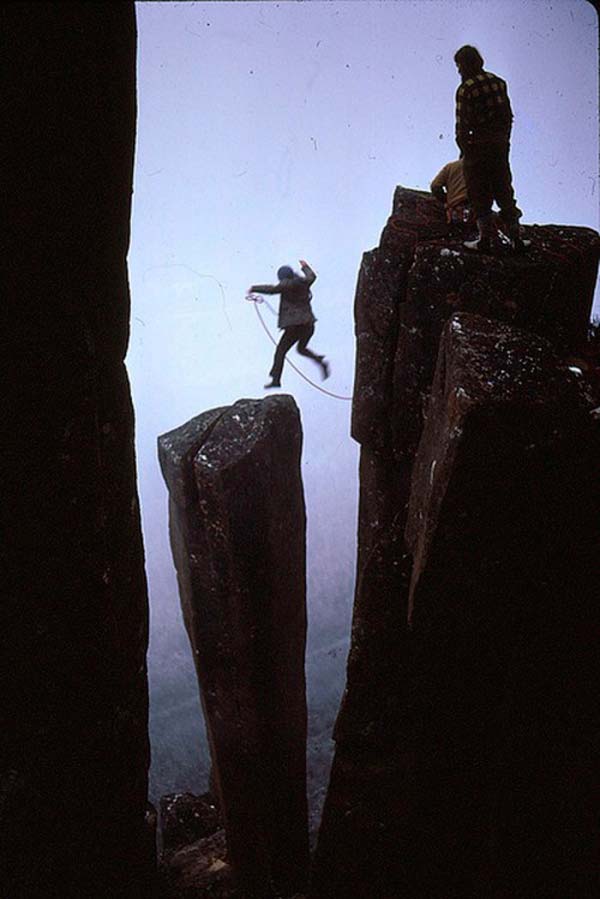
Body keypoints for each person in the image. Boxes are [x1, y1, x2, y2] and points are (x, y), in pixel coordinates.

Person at [454, 44, 527, 252]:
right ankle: (516, 239)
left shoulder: (465, 89)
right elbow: (508, 116)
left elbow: (461, 127)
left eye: (459, 66)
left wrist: (465, 151)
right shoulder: (499, 83)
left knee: (479, 194)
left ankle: (485, 241)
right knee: (504, 190)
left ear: (466, 65)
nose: (459, 71)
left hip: (477, 148)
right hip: (499, 146)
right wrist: (504, 141)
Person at [248, 260, 329, 389]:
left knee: (280, 351)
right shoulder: (303, 282)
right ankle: (320, 362)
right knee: (301, 349)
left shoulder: (287, 284)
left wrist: (254, 288)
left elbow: (272, 289)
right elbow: (312, 277)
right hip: (309, 325)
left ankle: (276, 380)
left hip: (295, 326)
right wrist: (305, 267)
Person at [430, 157, 475, 226]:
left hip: (456, 210)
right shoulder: (480, 168)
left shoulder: (450, 167)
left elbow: (435, 186)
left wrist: (447, 200)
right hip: (474, 209)